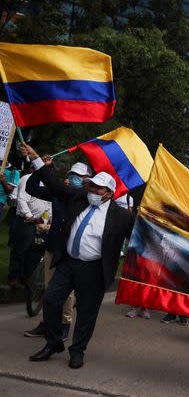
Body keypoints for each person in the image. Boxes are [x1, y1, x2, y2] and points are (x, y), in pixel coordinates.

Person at [21, 143, 135, 370]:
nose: (92, 191)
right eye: (91, 186)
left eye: (98, 189)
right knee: (51, 301)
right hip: (68, 263)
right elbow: (53, 183)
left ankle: (78, 351)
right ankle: (53, 343)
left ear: (109, 194)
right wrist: (36, 159)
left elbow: (141, 239)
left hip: (94, 270)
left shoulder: (122, 216)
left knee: (86, 313)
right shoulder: (77, 197)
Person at [23, 162, 91, 339]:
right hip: (53, 246)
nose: (73, 178)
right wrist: (40, 170)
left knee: (67, 290)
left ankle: (64, 323)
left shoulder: (86, 198)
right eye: (72, 175)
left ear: (86, 180)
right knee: (49, 288)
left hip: (70, 250)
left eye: (78, 176)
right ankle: (47, 323)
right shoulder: (57, 193)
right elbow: (32, 189)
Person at [8, 169, 51, 286]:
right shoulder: (27, 178)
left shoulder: (47, 183)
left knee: (35, 250)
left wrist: (45, 221)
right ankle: (14, 276)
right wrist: (29, 216)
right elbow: (22, 199)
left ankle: (27, 276)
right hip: (25, 219)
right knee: (20, 248)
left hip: (39, 221)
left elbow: (48, 205)